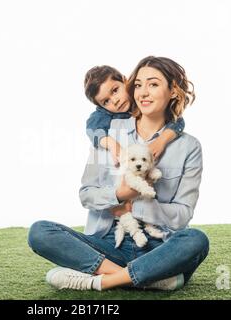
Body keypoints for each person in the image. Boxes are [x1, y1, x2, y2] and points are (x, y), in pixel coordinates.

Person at [27, 56, 209, 291]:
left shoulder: (189, 146)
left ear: (173, 90)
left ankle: (99, 280)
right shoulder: (107, 135)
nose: (143, 92)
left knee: (197, 240)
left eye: (153, 84)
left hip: (161, 246)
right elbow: (87, 194)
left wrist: (136, 208)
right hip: (109, 244)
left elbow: (183, 214)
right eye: (138, 84)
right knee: (40, 232)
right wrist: (119, 194)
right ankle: (150, 278)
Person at [84, 65, 185, 166]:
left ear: (125, 81)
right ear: (101, 106)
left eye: (115, 90)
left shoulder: (143, 98)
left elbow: (176, 119)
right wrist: (111, 144)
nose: (115, 101)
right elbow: (93, 129)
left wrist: (161, 141)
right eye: (106, 101)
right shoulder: (104, 113)